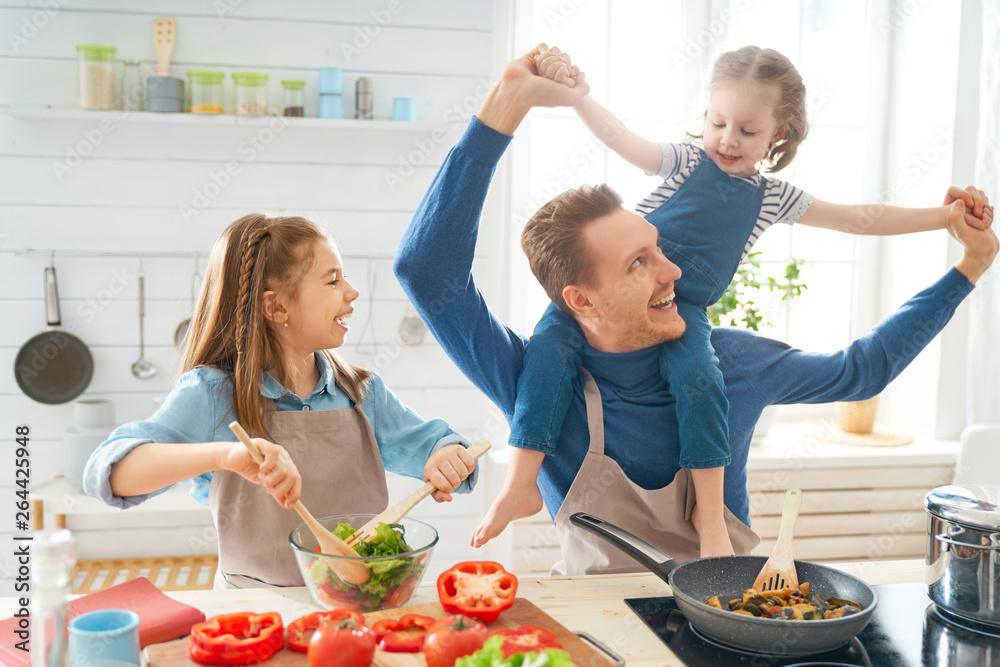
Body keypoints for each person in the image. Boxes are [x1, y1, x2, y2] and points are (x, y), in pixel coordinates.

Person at [393, 44, 998, 575]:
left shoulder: (729, 362)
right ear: (580, 302)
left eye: (660, 250)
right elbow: (427, 271)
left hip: (724, 614)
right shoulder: (538, 382)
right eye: (638, 262)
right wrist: (505, 105)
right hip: (598, 621)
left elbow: (861, 369)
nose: (674, 272)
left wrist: (966, 263)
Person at [84, 215, 480, 589]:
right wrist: (226, 456)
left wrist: (445, 456)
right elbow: (113, 474)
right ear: (277, 307)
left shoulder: (362, 393)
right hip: (253, 611)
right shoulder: (213, 393)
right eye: (332, 281)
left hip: (357, 603)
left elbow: (435, 446)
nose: (352, 291)